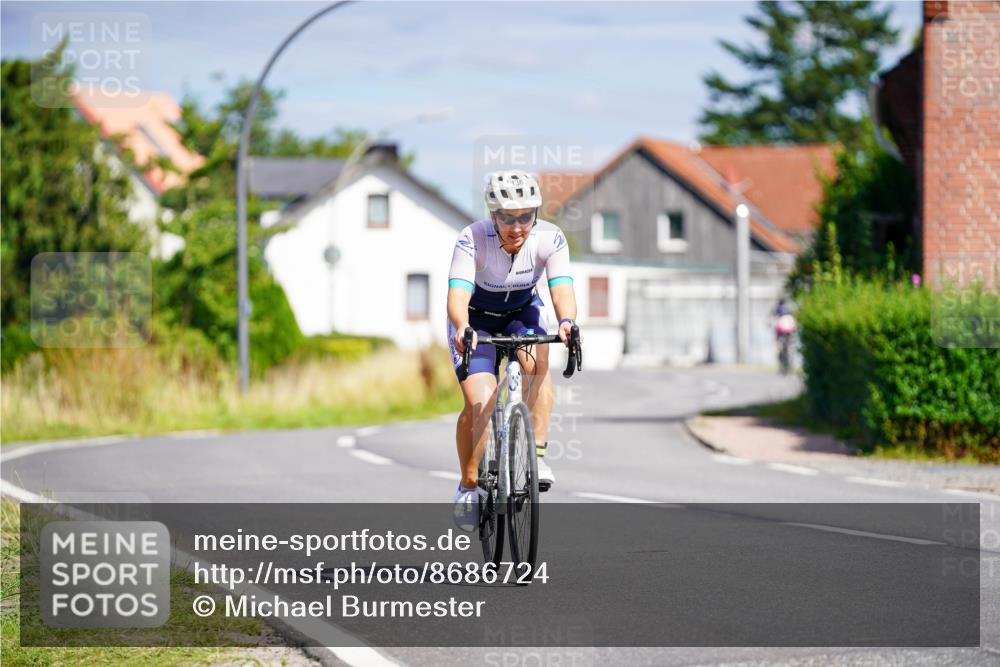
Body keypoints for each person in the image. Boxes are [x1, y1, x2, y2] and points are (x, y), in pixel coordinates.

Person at [446, 170, 580, 531]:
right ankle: (469, 484)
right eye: (507, 217)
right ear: (493, 215)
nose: (517, 225)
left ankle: (536, 455)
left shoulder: (550, 238)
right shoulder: (471, 239)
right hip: (477, 321)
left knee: (537, 364)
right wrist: (462, 327)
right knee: (479, 402)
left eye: (526, 216)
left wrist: (567, 321)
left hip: (523, 312)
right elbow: (458, 294)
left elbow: (561, 287)